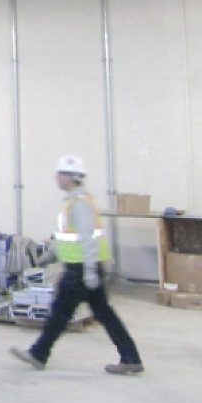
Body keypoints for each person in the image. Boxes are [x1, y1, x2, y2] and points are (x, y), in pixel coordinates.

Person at [12, 154, 144, 375]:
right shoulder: (74, 202)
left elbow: (88, 239)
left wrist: (90, 272)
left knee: (60, 313)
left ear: (71, 177)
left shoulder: (80, 204)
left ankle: (38, 354)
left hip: (81, 270)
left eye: (60, 174)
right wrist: (50, 255)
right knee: (104, 315)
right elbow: (69, 236)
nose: (56, 178)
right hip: (83, 269)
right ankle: (130, 358)